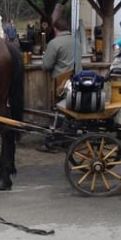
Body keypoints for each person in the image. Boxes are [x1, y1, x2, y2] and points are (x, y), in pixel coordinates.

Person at [38, 18, 82, 153]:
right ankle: (67, 141)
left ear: (55, 29)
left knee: (60, 112)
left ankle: (52, 143)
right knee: (70, 112)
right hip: (76, 82)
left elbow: (46, 66)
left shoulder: (54, 43)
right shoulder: (76, 41)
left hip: (61, 83)